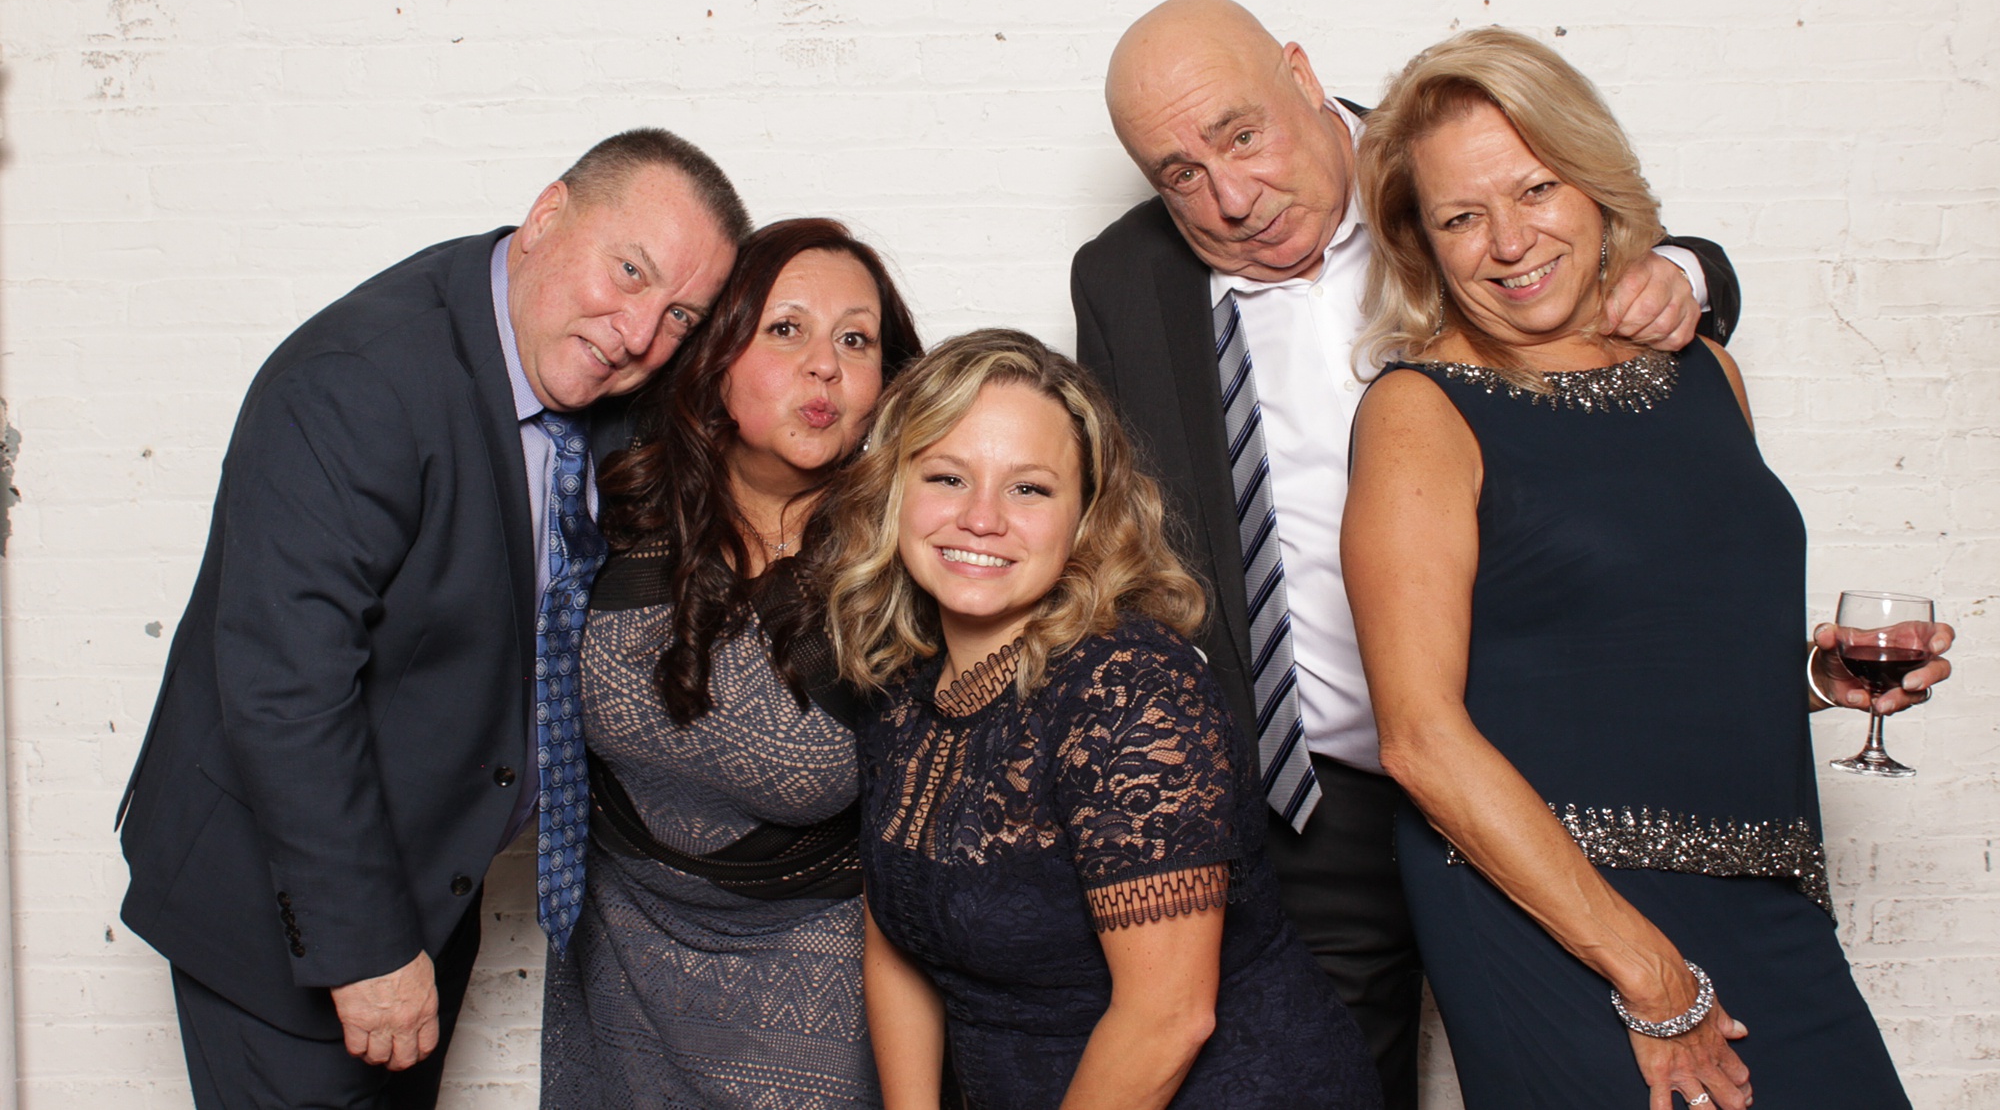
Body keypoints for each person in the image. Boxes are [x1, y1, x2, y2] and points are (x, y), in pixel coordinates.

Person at [1070, 0, 1743, 1106]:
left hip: (1541, 778)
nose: (1229, 198)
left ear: (1299, 70)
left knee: (1607, 1074)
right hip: (1308, 807)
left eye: (1240, 134)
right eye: (1178, 173)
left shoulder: (1442, 164)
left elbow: (1598, 240)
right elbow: (1131, 532)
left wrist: (1688, 270)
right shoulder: (1121, 277)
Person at [1342, 26, 1954, 1109]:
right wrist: (1646, 972)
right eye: (1459, 217)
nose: (1506, 240)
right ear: (1420, 244)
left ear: (1592, 183)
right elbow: (1419, 737)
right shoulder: (1416, 412)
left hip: (1770, 905)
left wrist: (1818, 685)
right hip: (1558, 921)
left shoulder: (1703, 370)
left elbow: (1645, 659)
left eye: (1534, 189)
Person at [115, 128, 747, 1109]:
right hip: (290, 909)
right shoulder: (363, 382)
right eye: (627, 272)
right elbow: (286, 689)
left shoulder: (599, 384)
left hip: (426, 891)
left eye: (677, 314)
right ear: (545, 217)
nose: (635, 333)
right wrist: (364, 949)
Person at [821, 329, 1383, 1110]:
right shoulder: (906, 687)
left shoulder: (1131, 687)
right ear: (892, 490)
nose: (981, 517)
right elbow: (898, 936)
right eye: (948, 476)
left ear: (1086, 515)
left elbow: (1170, 1015)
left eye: (1029, 488)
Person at [540, 217, 923, 1109]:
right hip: (614, 977)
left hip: (816, 1002)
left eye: (855, 339)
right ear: (714, 359)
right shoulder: (612, 503)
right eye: (785, 328)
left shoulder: (908, 570)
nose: (824, 364)